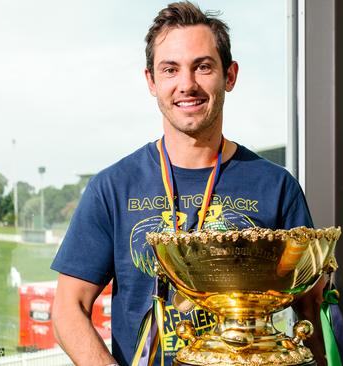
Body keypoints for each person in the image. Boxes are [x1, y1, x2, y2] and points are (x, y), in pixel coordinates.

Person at [51, 2, 325, 365]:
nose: (187, 84)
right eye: (170, 69)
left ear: (230, 75)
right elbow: (69, 308)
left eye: (203, 66)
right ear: (151, 81)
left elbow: (314, 311)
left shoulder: (276, 187)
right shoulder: (113, 188)